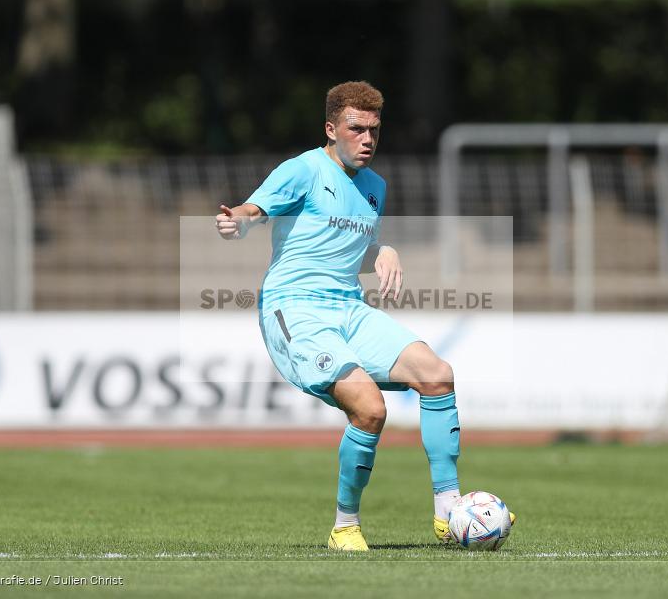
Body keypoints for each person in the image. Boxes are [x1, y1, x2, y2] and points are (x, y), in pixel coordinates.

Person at [215, 81, 511, 551]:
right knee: (370, 408)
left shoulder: (375, 187)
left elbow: (339, 248)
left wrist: (382, 249)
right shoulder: (303, 170)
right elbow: (254, 210)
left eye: (374, 129)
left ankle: (447, 508)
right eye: (356, 129)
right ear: (331, 129)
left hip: (349, 308)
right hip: (296, 311)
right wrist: (238, 222)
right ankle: (345, 525)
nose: (367, 139)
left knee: (437, 375)